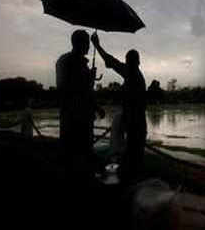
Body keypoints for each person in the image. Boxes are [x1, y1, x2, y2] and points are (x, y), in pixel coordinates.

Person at [91, 32, 147, 185]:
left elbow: (111, 61)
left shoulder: (132, 74)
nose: (126, 63)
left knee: (132, 159)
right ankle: (131, 183)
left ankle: (130, 186)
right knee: (133, 158)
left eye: (128, 61)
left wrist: (97, 46)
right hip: (135, 123)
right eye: (127, 61)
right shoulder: (134, 75)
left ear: (133, 63)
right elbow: (113, 62)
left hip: (135, 123)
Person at [56, 29, 105, 183]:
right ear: (79, 43)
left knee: (82, 153)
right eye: (87, 44)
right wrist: (89, 79)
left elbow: (86, 92)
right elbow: (68, 89)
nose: (89, 48)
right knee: (75, 153)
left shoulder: (72, 62)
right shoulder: (67, 62)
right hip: (74, 117)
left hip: (80, 116)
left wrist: (96, 106)